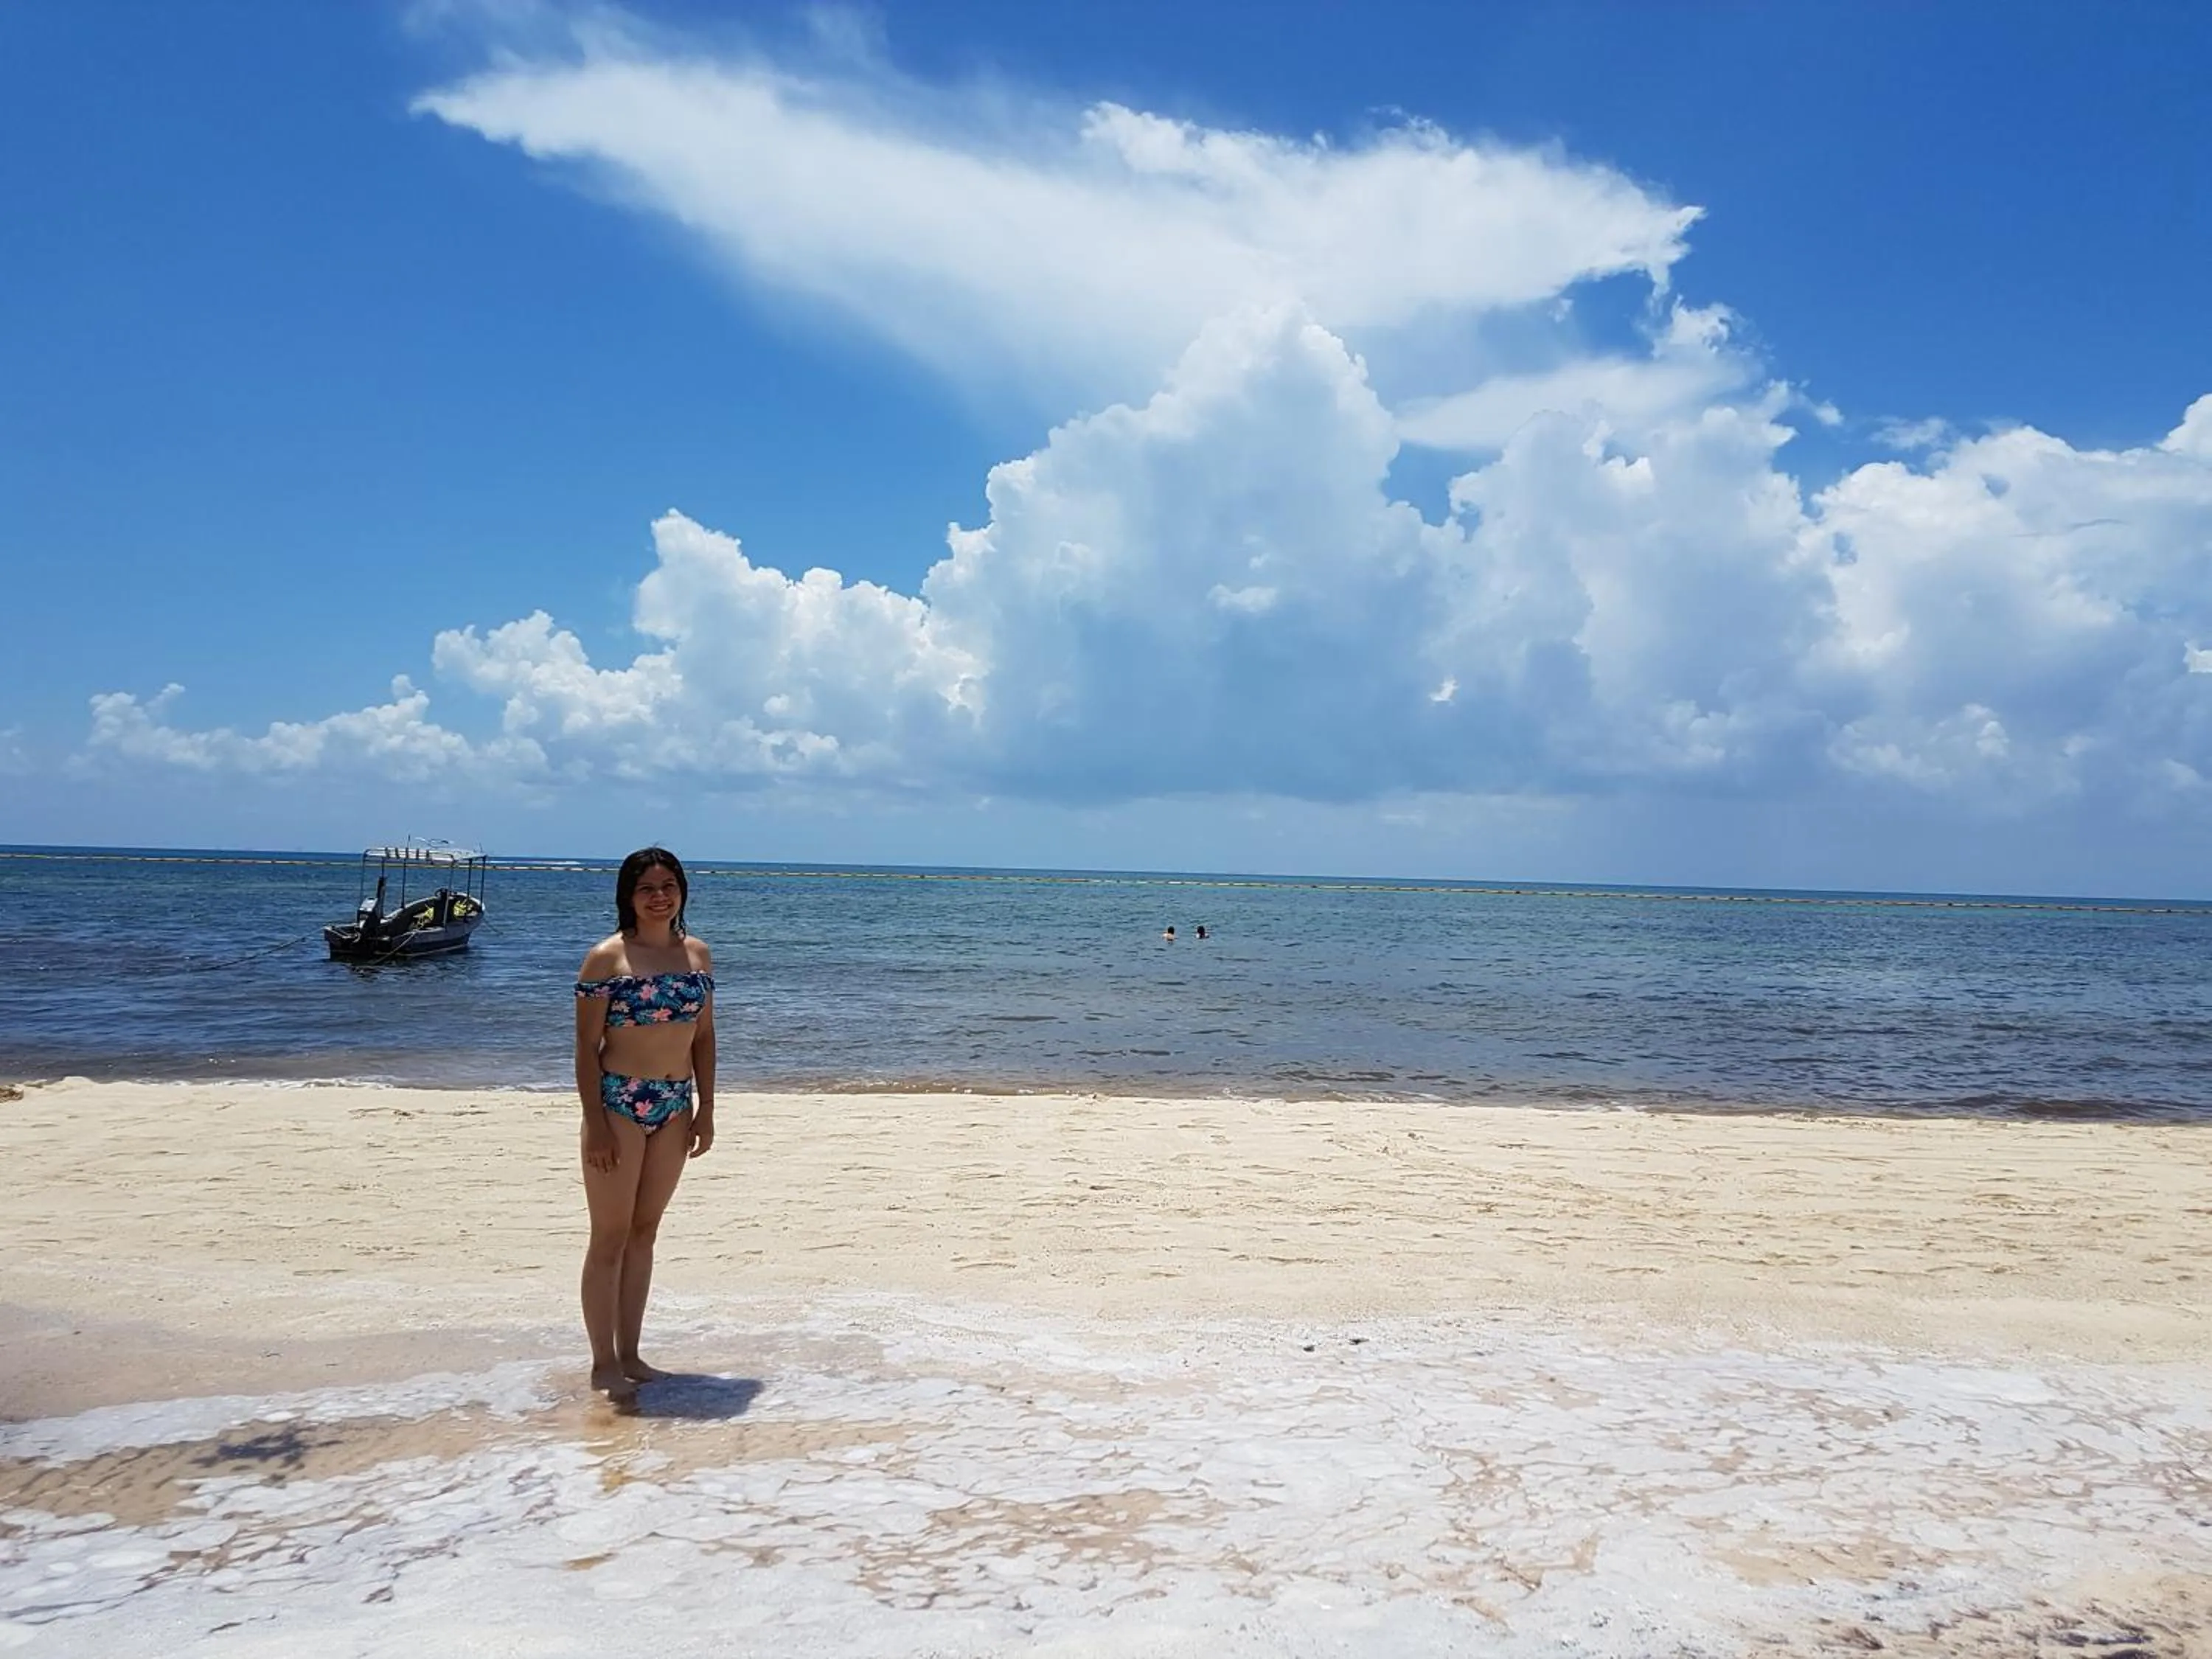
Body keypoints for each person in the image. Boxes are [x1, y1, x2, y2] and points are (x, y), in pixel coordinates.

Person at [573, 846, 717, 1402]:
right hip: (617, 1102)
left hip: (675, 1103)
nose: (660, 896)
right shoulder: (606, 959)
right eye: (647, 888)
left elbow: (703, 1038)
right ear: (628, 897)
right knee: (609, 1235)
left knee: (645, 1232)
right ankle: (603, 1361)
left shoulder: (698, 955)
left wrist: (706, 1108)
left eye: (668, 885)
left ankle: (631, 1353)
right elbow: (587, 1049)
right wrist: (597, 1123)